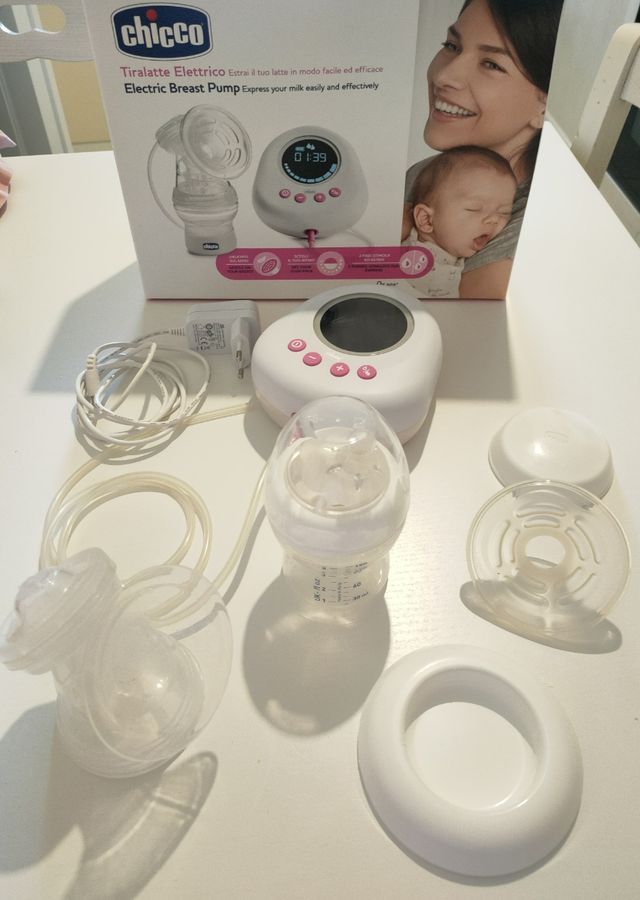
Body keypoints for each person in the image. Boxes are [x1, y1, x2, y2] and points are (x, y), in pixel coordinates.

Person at [404, 0, 564, 298]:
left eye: (491, 64)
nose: (443, 76)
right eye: (452, 46)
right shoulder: (425, 173)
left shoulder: (530, 231)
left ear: (545, 105)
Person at [403, 145, 516, 297]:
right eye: (474, 209)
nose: (494, 219)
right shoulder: (402, 243)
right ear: (427, 219)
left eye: (504, 212)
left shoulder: (467, 262)